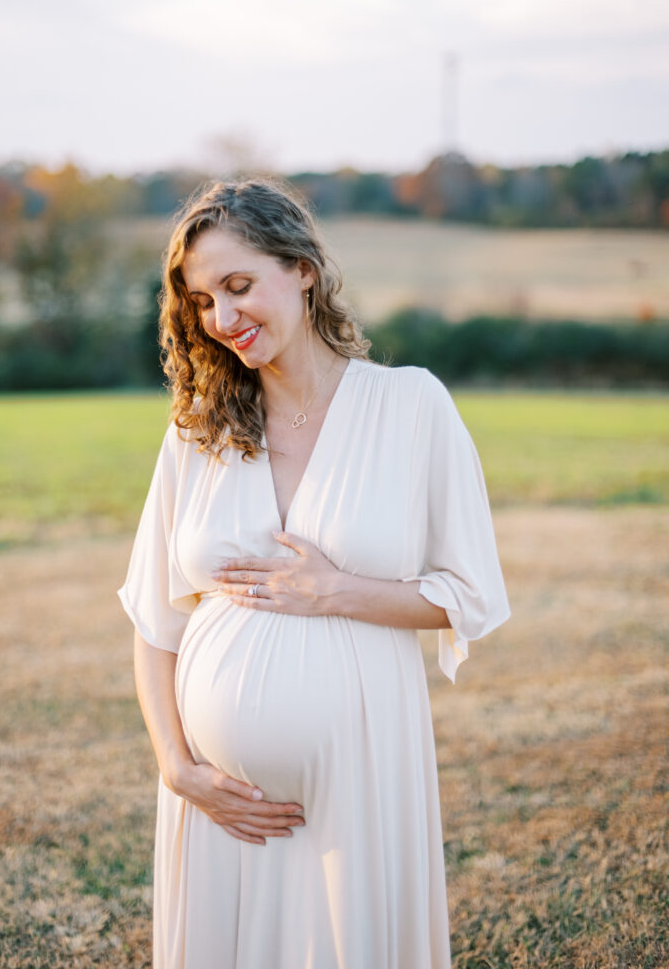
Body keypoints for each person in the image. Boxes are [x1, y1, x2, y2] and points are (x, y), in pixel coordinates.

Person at [118, 178, 510, 969]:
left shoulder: (411, 408)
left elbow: (470, 595)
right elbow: (154, 624)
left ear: (301, 268)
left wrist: (336, 591)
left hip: (360, 776)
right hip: (218, 806)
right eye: (201, 302)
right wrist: (177, 766)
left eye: (238, 286)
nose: (223, 320)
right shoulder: (198, 433)